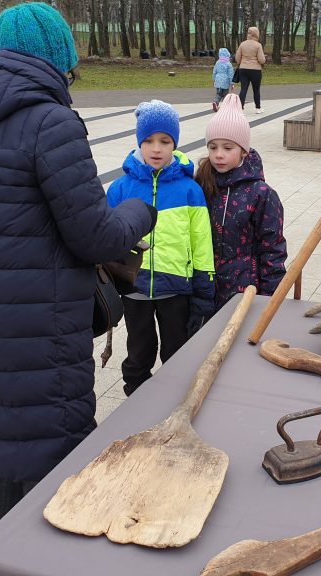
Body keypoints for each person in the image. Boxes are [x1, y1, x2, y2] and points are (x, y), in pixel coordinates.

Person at [0, 3, 157, 534]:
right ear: (57, 56)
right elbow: (94, 235)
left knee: (2, 444)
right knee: (48, 466)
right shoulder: (51, 121)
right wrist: (139, 209)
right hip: (35, 322)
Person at [106, 100, 215, 397]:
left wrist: (204, 280)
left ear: (174, 144)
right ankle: (137, 401)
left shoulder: (189, 189)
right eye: (149, 141)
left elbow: (201, 239)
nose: (156, 148)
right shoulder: (120, 188)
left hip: (176, 286)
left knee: (176, 351)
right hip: (134, 285)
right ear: (139, 142)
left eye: (165, 141)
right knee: (139, 350)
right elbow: (107, 236)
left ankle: (173, 401)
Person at [196, 94, 287, 308]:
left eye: (228, 148)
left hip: (246, 291)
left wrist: (267, 298)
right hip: (206, 291)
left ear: (244, 150)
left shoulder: (261, 194)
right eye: (213, 147)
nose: (218, 155)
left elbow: (273, 248)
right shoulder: (202, 184)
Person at [236, 26, 266, 114]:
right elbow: (261, 59)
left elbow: (237, 58)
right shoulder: (258, 45)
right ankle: (258, 108)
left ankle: (240, 108)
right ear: (257, 34)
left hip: (243, 69)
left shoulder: (242, 44)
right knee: (256, 90)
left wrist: (241, 62)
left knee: (243, 89)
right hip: (255, 70)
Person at [212, 48, 234, 112]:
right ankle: (225, 107)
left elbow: (214, 71)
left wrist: (214, 79)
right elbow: (231, 74)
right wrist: (232, 83)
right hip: (225, 81)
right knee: (225, 95)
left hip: (218, 80)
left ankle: (215, 102)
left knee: (218, 94)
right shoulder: (228, 64)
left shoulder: (217, 62)